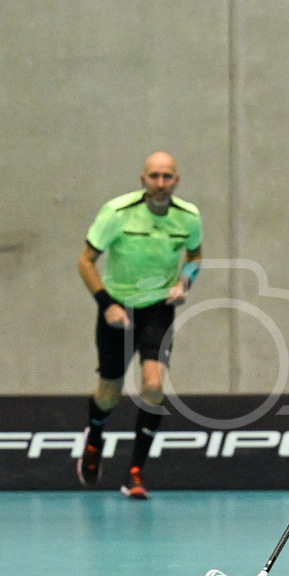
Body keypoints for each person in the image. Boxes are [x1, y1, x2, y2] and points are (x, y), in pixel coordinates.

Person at [76, 151, 203, 499]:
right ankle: (95, 438)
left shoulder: (189, 217)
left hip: (158, 308)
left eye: (167, 177)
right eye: (154, 176)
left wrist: (185, 283)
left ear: (176, 180)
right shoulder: (116, 213)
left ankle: (135, 473)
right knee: (109, 392)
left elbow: (195, 257)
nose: (160, 183)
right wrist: (107, 304)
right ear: (142, 179)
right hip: (117, 307)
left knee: (153, 385)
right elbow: (85, 261)